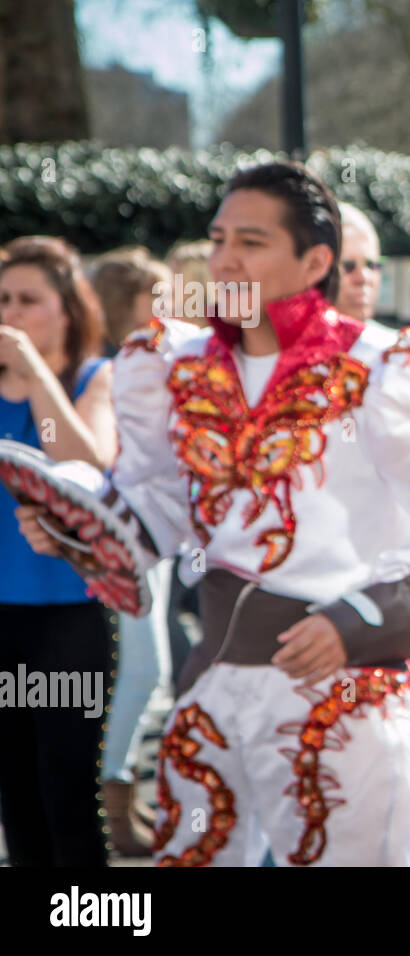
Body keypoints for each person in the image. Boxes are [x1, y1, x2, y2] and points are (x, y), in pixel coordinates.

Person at [18, 161, 410, 866]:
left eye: (250, 241)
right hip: (216, 681)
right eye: (217, 240)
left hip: (343, 696)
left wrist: (362, 620)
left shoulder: (391, 369)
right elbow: (158, 513)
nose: (224, 259)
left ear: (315, 260)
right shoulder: (174, 365)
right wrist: (76, 529)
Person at [0, 236, 116, 866]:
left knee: (66, 791)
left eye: (28, 300)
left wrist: (33, 369)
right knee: (14, 796)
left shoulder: (95, 378)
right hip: (2, 616)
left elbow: (83, 466)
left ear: (66, 309)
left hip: (66, 618)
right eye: (2, 300)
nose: (11, 314)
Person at [87, 248, 178, 856]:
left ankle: (123, 793)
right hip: (120, 542)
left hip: (145, 541)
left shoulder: (136, 365)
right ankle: (108, 802)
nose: (173, 310)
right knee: (143, 671)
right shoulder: (109, 370)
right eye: (160, 297)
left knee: (151, 672)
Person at [336, 202, 385, 326]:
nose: (363, 278)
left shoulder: (397, 343)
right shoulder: (287, 344)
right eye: (348, 266)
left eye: (372, 265)